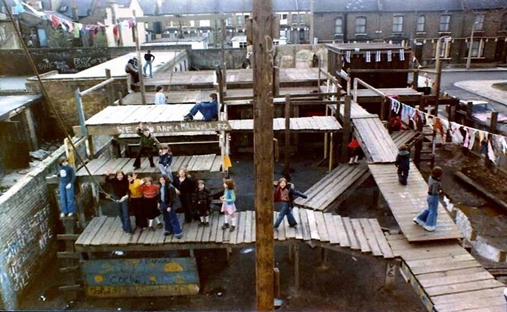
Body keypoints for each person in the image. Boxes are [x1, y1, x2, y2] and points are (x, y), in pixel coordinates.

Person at [413, 166, 443, 232]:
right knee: (433, 211)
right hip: (433, 197)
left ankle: (420, 219)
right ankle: (429, 225)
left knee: (429, 209)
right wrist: (439, 192)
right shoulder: (436, 182)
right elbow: (434, 192)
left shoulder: (430, 177)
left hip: (429, 196)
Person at [105, 169, 132, 233]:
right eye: (118, 175)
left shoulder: (125, 181)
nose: (120, 176)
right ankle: (124, 226)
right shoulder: (114, 180)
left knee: (126, 214)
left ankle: (128, 229)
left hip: (124, 197)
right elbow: (107, 180)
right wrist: (107, 174)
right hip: (116, 197)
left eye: (121, 175)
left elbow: (128, 190)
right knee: (120, 213)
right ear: (116, 176)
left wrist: (125, 196)